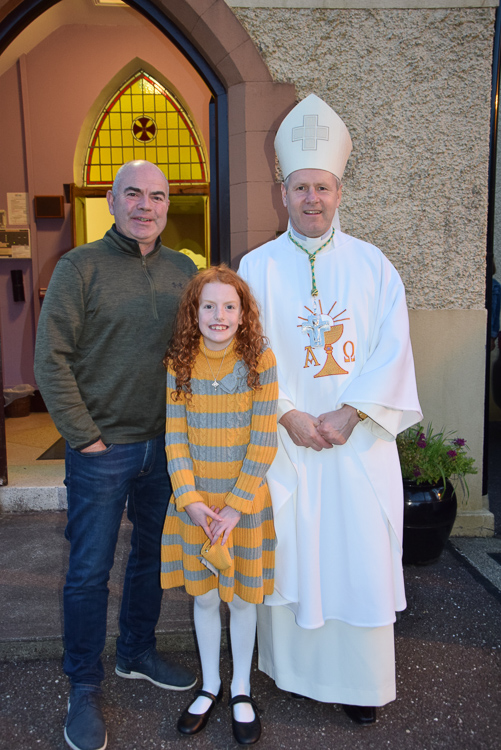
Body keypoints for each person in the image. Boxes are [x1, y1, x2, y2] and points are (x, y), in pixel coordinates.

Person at [239, 94, 423, 725]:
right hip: (288, 446)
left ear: (338, 189)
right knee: (294, 551)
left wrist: (350, 413)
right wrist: (287, 412)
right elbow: (246, 352)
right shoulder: (255, 268)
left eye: (321, 187)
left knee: (358, 556)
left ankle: (362, 685)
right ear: (281, 191)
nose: (311, 199)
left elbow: (393, 350)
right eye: (299, 188)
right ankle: (294, 674)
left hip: (357, 447)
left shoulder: (375, 267)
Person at [34, 160, 198, 750]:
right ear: (112, 200)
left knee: (151, 559)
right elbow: (49, 359)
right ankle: (82, 683)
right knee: (88, 572)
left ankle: (136, 651)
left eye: (157, 196)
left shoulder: (185, 270)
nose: (146, 206)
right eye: (134, 193)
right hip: (102, 449)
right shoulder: (80, 267)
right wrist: (84, 436)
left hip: (166, 448)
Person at [160, 265, 278, 745]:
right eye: (208, 305)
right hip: (195, 506)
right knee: (205, 597)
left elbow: (264, 438)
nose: (219, 315)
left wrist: (234, 507)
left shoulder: (259, 361)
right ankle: (210, 685)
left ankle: (242, 690)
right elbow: (174, 438)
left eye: (229, 306)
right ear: (194, 312)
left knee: (243, 599)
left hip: (242, 506)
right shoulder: (179, 363)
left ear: (243, 312)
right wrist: (190, 501)